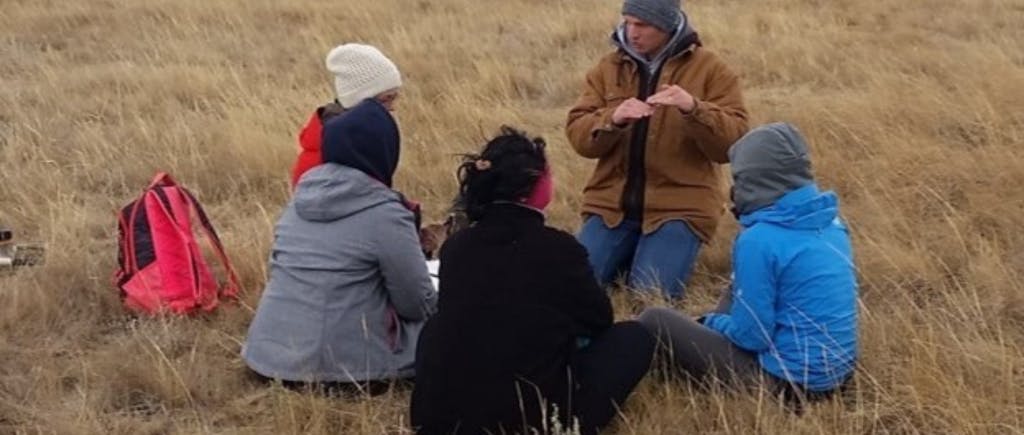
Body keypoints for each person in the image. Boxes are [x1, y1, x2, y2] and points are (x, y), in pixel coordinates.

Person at [410, 127, 655, 435]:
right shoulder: (559, 248)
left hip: (441, 420)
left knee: (437, 327)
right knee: (634, 338)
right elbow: (599, 320)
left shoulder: (458, 246)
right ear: (533, 187)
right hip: (530, 419)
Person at [637, 123, 858, 403]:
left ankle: (662, 374)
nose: (735, 189)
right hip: (837, 378)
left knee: (654, 319)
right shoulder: (832, 223)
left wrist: (710, 322)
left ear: (756, 181)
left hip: (785, 386)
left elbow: (753, 337)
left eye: (739, 179)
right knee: (734, 290)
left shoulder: (759, 240)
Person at [243, 99, 437, 394]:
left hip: (269, 360)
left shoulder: (296, 204)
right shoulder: (386, 214)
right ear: (385, 150)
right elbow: (416, 304)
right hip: (346, 370)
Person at [565, 0, 750, 299]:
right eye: (627, 22)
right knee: (571, 290)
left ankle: (642, 259)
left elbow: (732, 145)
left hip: (680, 208)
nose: (631, 32)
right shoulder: (608, 68)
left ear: (666, 25)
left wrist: (693, 109)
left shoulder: (712, 70)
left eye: (642, 24)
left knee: (650, 298)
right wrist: (612, 119)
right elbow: (578, 137)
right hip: (609, 207)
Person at [291, 43, 402, 188]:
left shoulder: (357, 142)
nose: (393, 108)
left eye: (395, 97)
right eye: (387, 99)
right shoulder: (319, 162)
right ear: (359, 101)